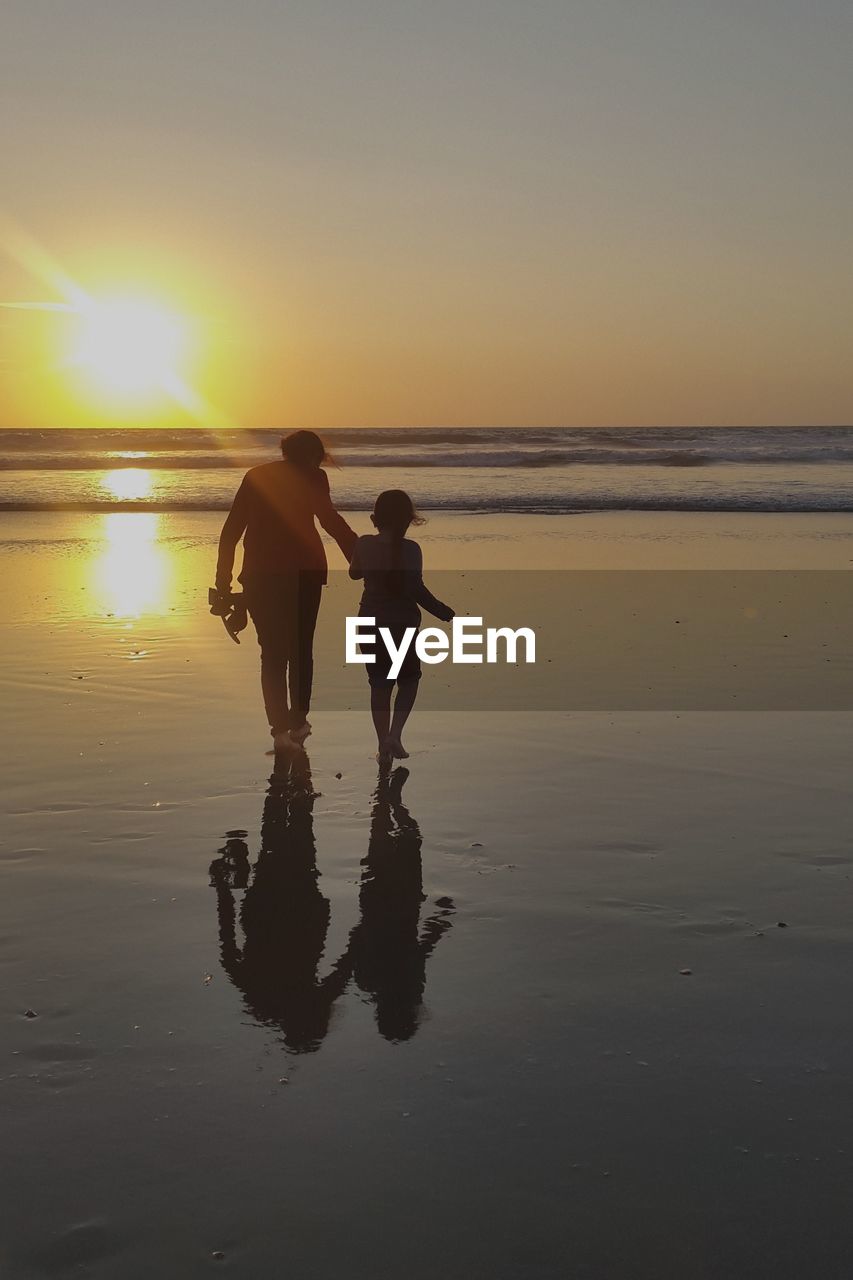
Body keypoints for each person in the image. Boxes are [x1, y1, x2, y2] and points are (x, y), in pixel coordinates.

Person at [215, 430, 357, 751]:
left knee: (272, 654)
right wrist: (358, 554)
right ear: (314, 454)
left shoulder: (256, 476)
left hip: (260, 574)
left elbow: (231, 532)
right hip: (303, 572)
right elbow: (328, 520)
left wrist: (223, 583)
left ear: (285, 451)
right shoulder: (314, 477)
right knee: (300, 647)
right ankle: (298, 722)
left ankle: (278, 730)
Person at [349, 489, 453, 763]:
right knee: (408, 681)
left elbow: (353, 573)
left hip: (369, 624)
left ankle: (383, 744)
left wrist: (362, 549)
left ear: (375, 519)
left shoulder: (364, 544)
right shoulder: (411, 550)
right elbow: (415, 589)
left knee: (379, 685)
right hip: (403, 625)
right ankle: (395, 734)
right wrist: (441, 611)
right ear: (408, 521)